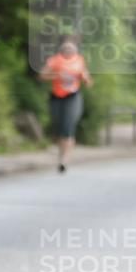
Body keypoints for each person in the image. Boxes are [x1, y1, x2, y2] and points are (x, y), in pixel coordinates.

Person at [38, 34, 92, 172]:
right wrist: (57, 75)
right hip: (56, 96)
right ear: (62, 48)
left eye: (71, 47)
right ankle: (60, 154)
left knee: (68, 126)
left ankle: (64, 160)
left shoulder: (79, 60)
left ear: (75, 48)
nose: (69, 49)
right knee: (58, 125)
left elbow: (88, 81)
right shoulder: (54, 60)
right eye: (66, 47)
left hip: (73, 97)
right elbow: (42, 75)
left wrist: (85, 78)